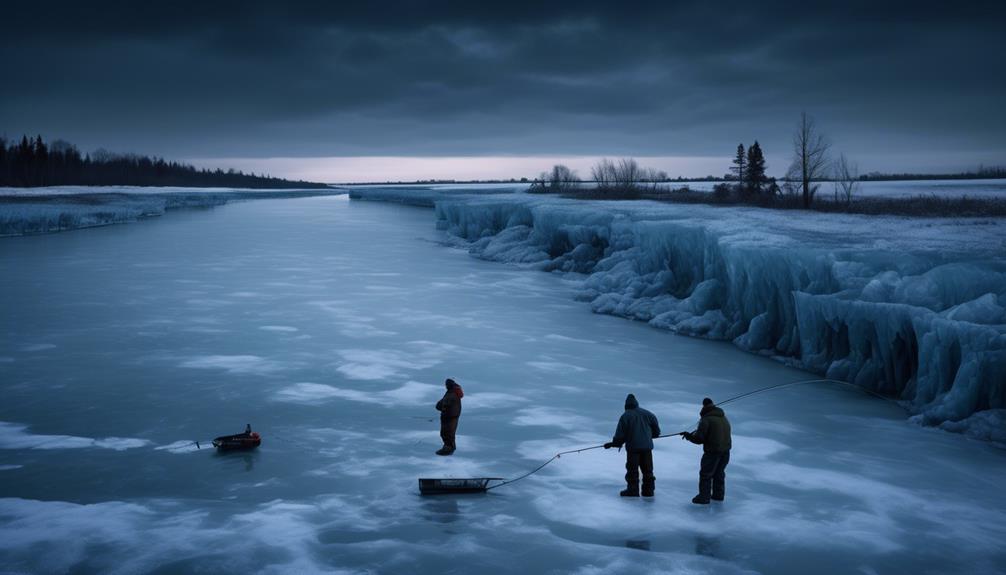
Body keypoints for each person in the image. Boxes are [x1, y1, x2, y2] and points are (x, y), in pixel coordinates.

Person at [604, 393, 661, 497]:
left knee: (632, 471)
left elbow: (620, 435)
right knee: (648, 470)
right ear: (636, 404)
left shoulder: (625, 416)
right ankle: (649, 491)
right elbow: (657, 432)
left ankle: (633, 490)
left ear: (626, 405)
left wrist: (613, 444)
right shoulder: (648, 414)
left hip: (633, 448)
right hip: (647, 447)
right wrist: (649, 436)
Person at [681, 397, 732, 504]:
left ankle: (704, 497)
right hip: (725, 451)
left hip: (712, 452)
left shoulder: (706, 420)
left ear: (704, 407)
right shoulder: (723, 417)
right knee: (719, 473)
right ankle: (718, 495)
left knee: (706, 474)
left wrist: (688, 436)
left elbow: (699, 439)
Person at [435, 378, 463, 456]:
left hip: (449, 417)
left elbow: (444, 405)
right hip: (452, 417)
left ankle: (448, 448)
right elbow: (442, 403)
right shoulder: (452, 392)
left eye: (446, 384)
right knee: (449, 433)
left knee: (446, 433)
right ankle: (450, 447)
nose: (445, 386)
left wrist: (442, 408)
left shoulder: (452, 395)